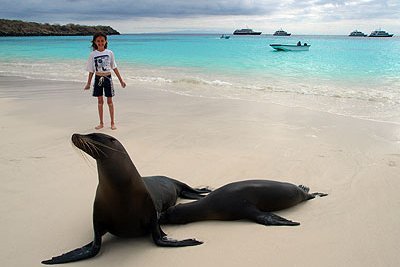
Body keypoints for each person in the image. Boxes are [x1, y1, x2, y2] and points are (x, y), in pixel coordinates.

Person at [84, 32, 126, 130]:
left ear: (106, 41)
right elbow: (91, 70)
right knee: (100, 102)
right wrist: (88, 83)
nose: (100, 42)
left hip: (108, 78)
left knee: (110, 102)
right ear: (95, 42)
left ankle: (112, 123)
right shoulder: (92, 54)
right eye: (98, 41)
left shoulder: (110, 53)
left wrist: (121, 81)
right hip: (98, 78)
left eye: (102, 41)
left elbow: (114, 67)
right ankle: (101, 123)